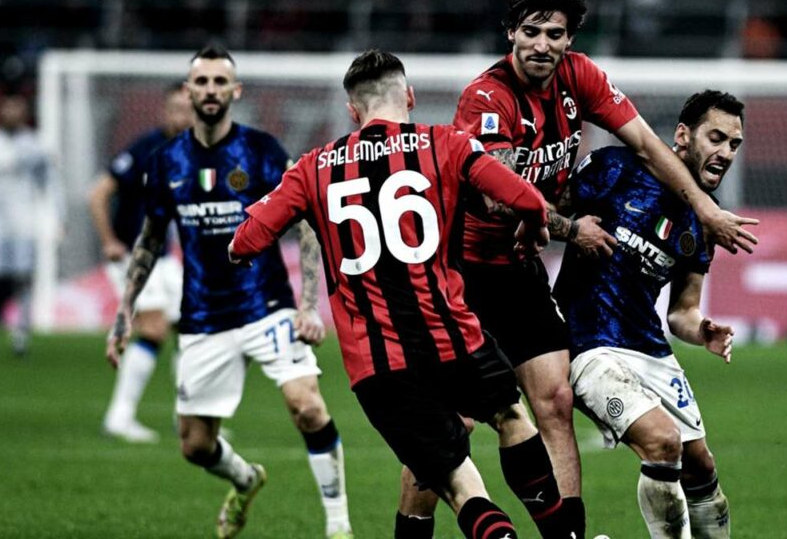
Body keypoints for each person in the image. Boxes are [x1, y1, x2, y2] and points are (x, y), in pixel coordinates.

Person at [419, 0, 759, 536]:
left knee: (559, 404)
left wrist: (704, 214)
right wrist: (562, 227)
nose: (543, 44)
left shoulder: (581, 78)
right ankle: (410, 526)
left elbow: (649, 148)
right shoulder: (489, 99)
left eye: (556, 34)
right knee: (450, 423)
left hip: (542, 283)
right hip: (470, 271)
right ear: (512, 32)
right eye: (532, 31)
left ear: (570, 40)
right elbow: (493, 192)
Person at [229, 49, 578, 539]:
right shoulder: (447, 144)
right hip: (455, 336)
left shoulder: (313, 168)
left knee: (457, 483)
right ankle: (562, 535)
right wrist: (534, 225)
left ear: (353, 112)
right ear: (409, 97)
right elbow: (523, 197)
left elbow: (246, 239)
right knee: (512, 416)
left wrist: (241, 250)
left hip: (379, 363)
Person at [105, 44, 353, 539]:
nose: (212, 90)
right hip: (202, 316)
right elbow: (151, 239)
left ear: (235, 91)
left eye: (221, 82)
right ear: (188, 90)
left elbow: (305, 223)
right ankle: (244, 478)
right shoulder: (166, 161)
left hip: (267, 307)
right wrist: (125, 311)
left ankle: (339, 526)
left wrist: (307, 305)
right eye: (202, 82)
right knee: (196, 446)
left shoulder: (261, 151)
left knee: (307, 405)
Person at [554, 90, 744, 538]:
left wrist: (703, 330)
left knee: (701, 466)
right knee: (663, 443)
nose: (726, 152)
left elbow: (682, 310)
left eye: (734, 144)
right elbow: (544, 213)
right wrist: (572, 232)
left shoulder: (704, 219)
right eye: (716, 138)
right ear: (683, 135)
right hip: (589, 342)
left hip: (649, 347)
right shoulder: (614, 169)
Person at [90, 85, 192, 443]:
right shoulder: (144, 148)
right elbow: (98, 193)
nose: (180, 117)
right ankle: (119, 416)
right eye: (174, 109)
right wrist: (108, 241)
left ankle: (188, 418)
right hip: (132, 256)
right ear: (164, 111)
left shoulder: (191, 153)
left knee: (193, 327)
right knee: (153, 328)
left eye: (187, 109)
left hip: (162, 258)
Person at [0, 93, 61, 357]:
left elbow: (51, 185)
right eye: (7, 107)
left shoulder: (37, 144)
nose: (11, 112)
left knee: (23, 279)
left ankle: (20, 336)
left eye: (16, 107)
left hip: (25, 221)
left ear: (25, 111)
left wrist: (57, 218)